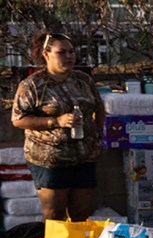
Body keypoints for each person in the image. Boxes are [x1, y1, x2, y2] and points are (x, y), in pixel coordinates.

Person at [11, 31, 104, 221]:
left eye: (71, 52)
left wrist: (98, 133)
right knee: (55, 214)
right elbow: (18, 119)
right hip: (50, 158)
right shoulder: (33, 85)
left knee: (81, 213)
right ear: (46, 54)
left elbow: (98, 105)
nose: (69, 56)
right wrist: (55, 121)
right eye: (62, 52)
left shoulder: (82, 80)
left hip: (85, 155)